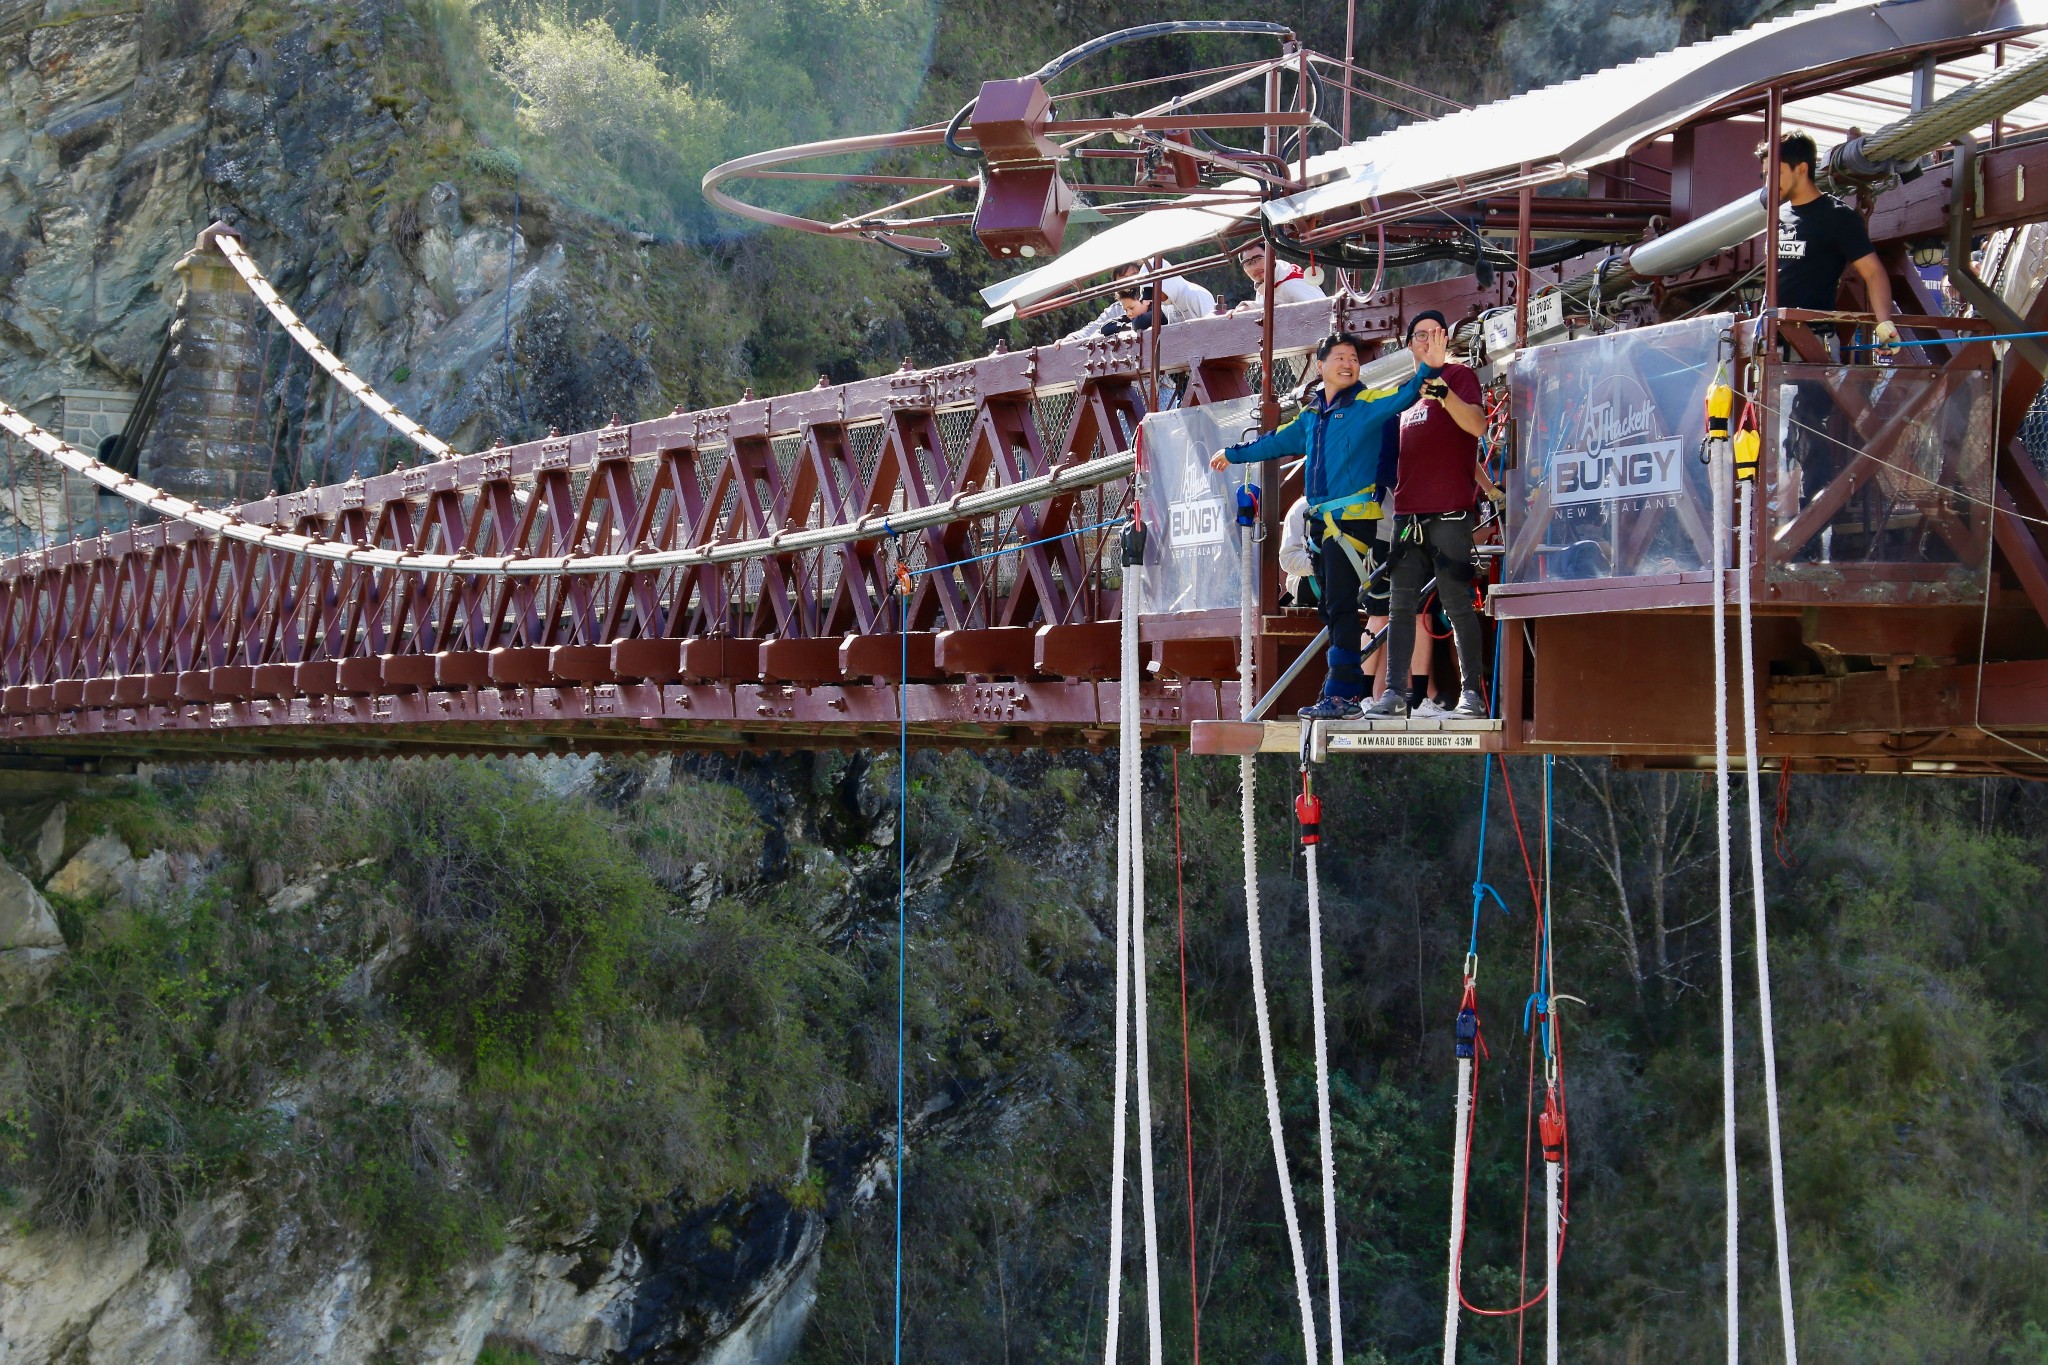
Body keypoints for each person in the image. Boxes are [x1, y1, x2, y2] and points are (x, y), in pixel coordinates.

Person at [1210, 329, 1445, 720]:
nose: (1349, 363)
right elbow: (1275, 441)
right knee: (1333, 608)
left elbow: (1405, 395)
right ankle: (1342, 692)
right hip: (1321, 526)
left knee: (1339, 608)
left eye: (1353, 358)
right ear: (1320, 367)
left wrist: (1430, 368)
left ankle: (1343, 694)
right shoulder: (1312, 417)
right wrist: (1233, 455)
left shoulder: (1367, 404)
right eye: (1340, 357)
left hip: (1351, 524)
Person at [1765, 131, 1899, 538]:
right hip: (1772, 346)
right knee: (1772, 439)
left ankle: (1808, 535)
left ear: (1801, 169)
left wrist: (1883, 321)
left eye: (1774, 173)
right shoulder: (1776, 214)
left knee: (1809, 439)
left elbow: (1873, 271)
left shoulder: (1837, 217)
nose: (1767, 183)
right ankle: (1772, 531)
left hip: (1814, 347)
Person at [1367, 311, 1499, 719]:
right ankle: (1394, 694)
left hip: (1449, 513)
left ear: (1446, 340)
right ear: (1409, 345)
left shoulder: (1459, 378)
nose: (1427, 341)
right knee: (1401, 605)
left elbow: (1475, 427)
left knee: (1458, 603)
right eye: (1419, 335)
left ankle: (1470, 696)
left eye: (1435, 334)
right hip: (1408, 514)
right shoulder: (1406, 394)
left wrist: (1441, 386)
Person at [1061, 257, 1217, 342]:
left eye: (1133, 277)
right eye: (1122, 279)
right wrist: (1074, 338)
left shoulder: (1187, 296)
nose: (1128, 282)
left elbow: (1214, 327)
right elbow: (1098, 326)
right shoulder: (1117, 308)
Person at [1233, 239, 1324, 311]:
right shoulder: (1264, 286)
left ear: (1272, 257)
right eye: (1248, 263)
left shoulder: (1291, 284)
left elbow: (1321, 311)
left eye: (1259, 259)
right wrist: (1248, 307)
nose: (1255, 267)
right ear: (1245, 270)